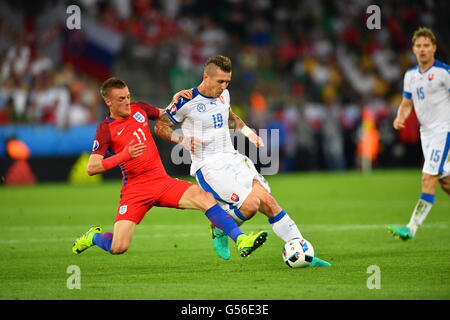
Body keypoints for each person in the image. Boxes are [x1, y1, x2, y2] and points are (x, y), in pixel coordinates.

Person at [155, 55, 330, 266]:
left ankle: (303, 251)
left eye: (227, 81)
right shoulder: (185, 100)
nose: (224, 85)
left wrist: (249, 133)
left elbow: (230, 118)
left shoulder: (224, 95)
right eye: (220, 81)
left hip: (233, 157)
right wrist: (180, 139)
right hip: (209, 166)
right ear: (206, 76)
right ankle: (219, 226)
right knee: (251, 205)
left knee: (268, 201)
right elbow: (160, 126)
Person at [71, 77, 268, 257]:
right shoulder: (105, 129)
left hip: (161, 181)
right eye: (121, 99)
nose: (127, 102)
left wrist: (177, 100)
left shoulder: (140, 109)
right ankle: (93, 237)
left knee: (204, 198)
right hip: (135, 190)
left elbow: (170, 115)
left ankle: (241, 240)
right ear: (109, 102)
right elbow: (92, 167)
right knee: (118, 247)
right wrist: (124, 155)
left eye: (128, 96)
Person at [388, 27, 450, 240]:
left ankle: (411, 227)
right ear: (413, 49)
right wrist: (400, 117)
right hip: (427, 134)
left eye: (426, 45)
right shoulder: (410, 75)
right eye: (418, 46)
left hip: (444, 131)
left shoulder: (444, 73)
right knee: (445, 182)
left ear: (434, 48)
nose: (422, 50)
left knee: (428, 178)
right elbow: (406, 104)